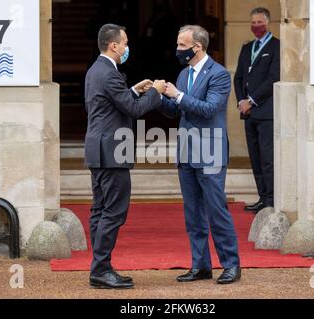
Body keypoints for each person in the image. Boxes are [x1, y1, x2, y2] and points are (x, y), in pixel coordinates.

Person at [85, 23, 167, 289]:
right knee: (113, 211)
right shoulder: (109, 73)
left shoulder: (97, 70)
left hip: (99, 149)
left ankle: (101, 266)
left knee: (100, 209)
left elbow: (115, 102)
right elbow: (133, 110)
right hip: (111, 151)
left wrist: (133, 89)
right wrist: (155, 90)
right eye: (125, 42)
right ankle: (100, 269)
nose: (127, 47)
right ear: (114, 45)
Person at [160, 25, 241, 285]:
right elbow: (176, 110)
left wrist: (178, 95)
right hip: (187, 151)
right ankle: (201, 265)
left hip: (210, 151)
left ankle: (231, 265)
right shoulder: (184, 74)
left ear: (198, 47)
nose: (178, 50)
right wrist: (158, 96)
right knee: (193, 213)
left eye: (182, 46)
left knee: (216, 211)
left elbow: (209, 109)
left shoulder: (219, 74)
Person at [234, 7, 280, 213]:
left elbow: (273, 78)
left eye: (259, 22)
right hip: (248, 113)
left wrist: (251, 101)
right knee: (255, 158)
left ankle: (271, 199)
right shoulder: (247, 48)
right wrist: (241, 101)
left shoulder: (277, 46)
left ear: (268, 23)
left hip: (265, 112)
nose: (256, 26)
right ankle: (262, 197)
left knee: (267, 158)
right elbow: (239, 78)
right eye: (253, 23)